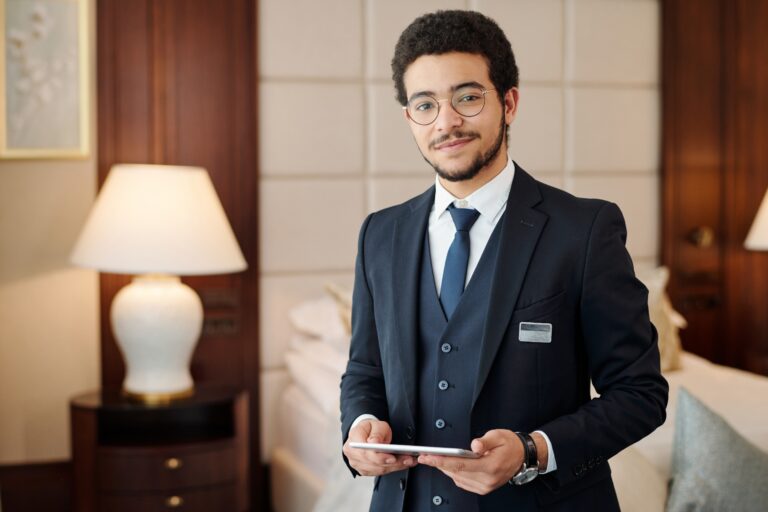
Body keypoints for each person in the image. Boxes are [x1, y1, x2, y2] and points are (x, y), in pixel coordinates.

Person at [340, 9, 668, 512]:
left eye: (467, 97)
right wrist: (360, 428)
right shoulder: (379, 235)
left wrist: (533, 451)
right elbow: (364, 369)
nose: (446, 122)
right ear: (410, 118)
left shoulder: (584, 231)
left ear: (508, 103)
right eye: (424, 105)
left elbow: (640, 393)